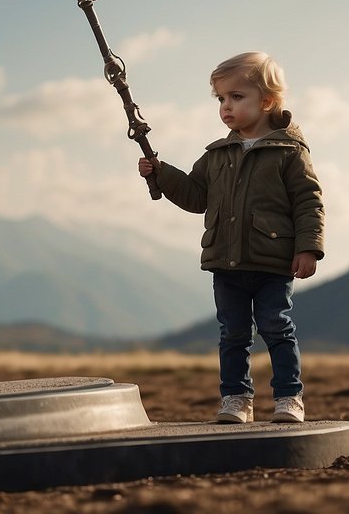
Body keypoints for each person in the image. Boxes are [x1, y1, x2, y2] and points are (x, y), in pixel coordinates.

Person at [139, 51, 324, 424]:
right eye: (221, 98)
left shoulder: (289, 153)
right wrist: (161, 172)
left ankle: (289, 397)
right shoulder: (218, 154)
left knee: (276, 327)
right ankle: (237, 398)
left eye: (236, 97)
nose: (226, 106)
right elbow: (195, 196)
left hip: (273, 262)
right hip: (225, 262)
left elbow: (308, 202)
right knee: (233, 334)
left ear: (267, 101)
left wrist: (308, 247)